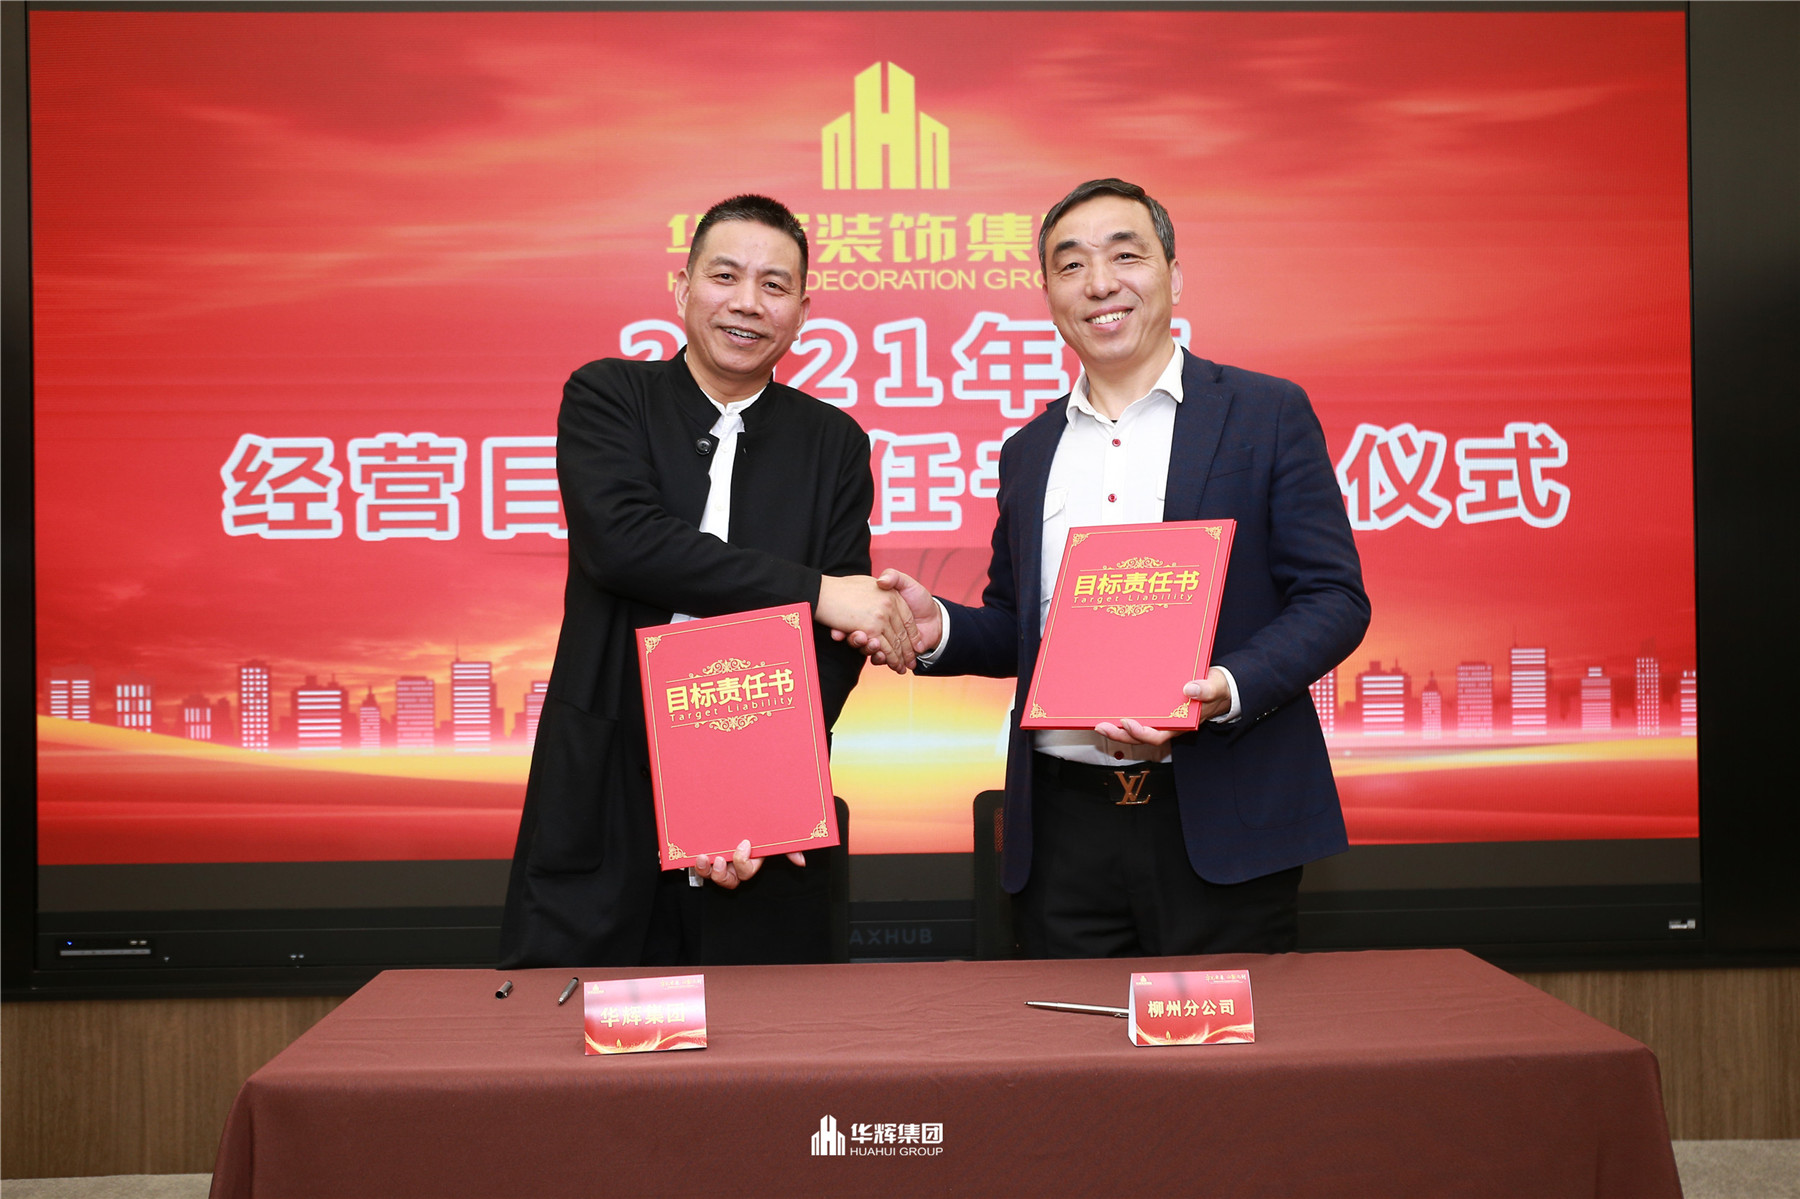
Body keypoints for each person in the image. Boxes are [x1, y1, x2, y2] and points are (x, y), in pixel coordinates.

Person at [880, 179, 1369, 958]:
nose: (1099, 283)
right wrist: (938, 625)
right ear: (1049, 294)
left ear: (1173, 275)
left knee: (1223, 1041)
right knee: (1067, 1039)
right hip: (1063, 831)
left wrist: (1224, 689)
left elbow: (1334, 597)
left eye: (1125, 256)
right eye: (1071, 265)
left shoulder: (1265, 412)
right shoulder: (1029, 451)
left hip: (1221, 814)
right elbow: (1018, 627)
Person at [498, 194, 912, 969]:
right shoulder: (608, 396)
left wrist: (752, 790)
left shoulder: (833, 443)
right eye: (725, 276)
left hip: (765, 822)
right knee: (580, 1028)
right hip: (606, 792)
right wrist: (818, 590)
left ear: (802, 312)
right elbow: (624, 545)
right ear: (683, 289)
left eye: (774, 285)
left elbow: (837, 647)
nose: (747, 302)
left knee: (765, 1035)